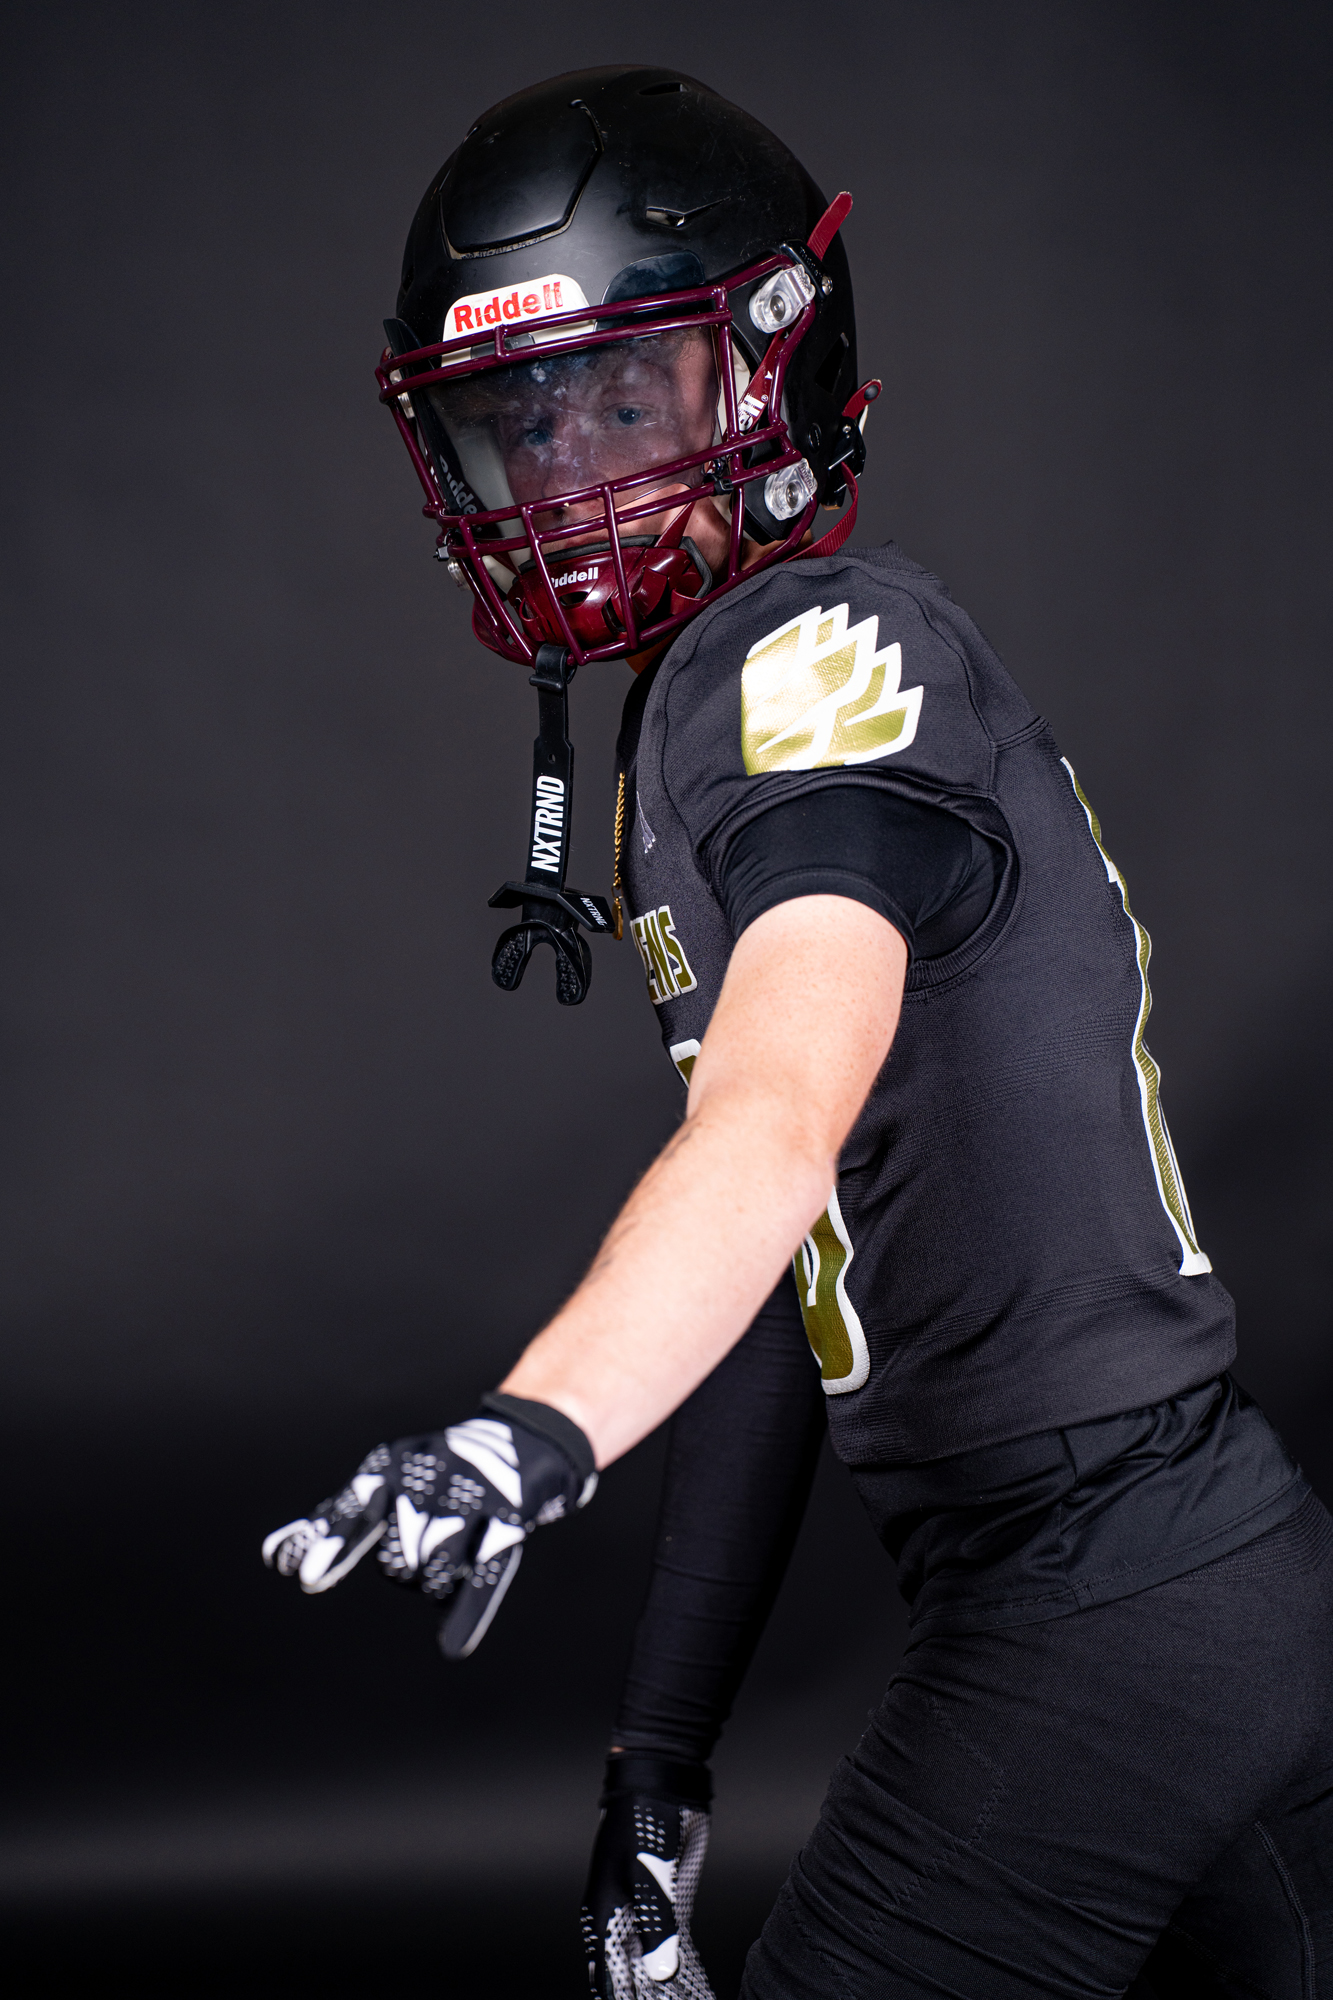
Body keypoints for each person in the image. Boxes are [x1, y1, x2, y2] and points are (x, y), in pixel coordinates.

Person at [263, 67, 1333, 1998]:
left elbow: (765, 1122)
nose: (569, 466)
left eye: (626, 395)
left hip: (1101, 1596)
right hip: (1202, 1580)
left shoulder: (817, 651)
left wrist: (528, 1432)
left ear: (769, 362)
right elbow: (782, 1274)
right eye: (526, 417)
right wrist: (659, 1762)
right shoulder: (704, 703)